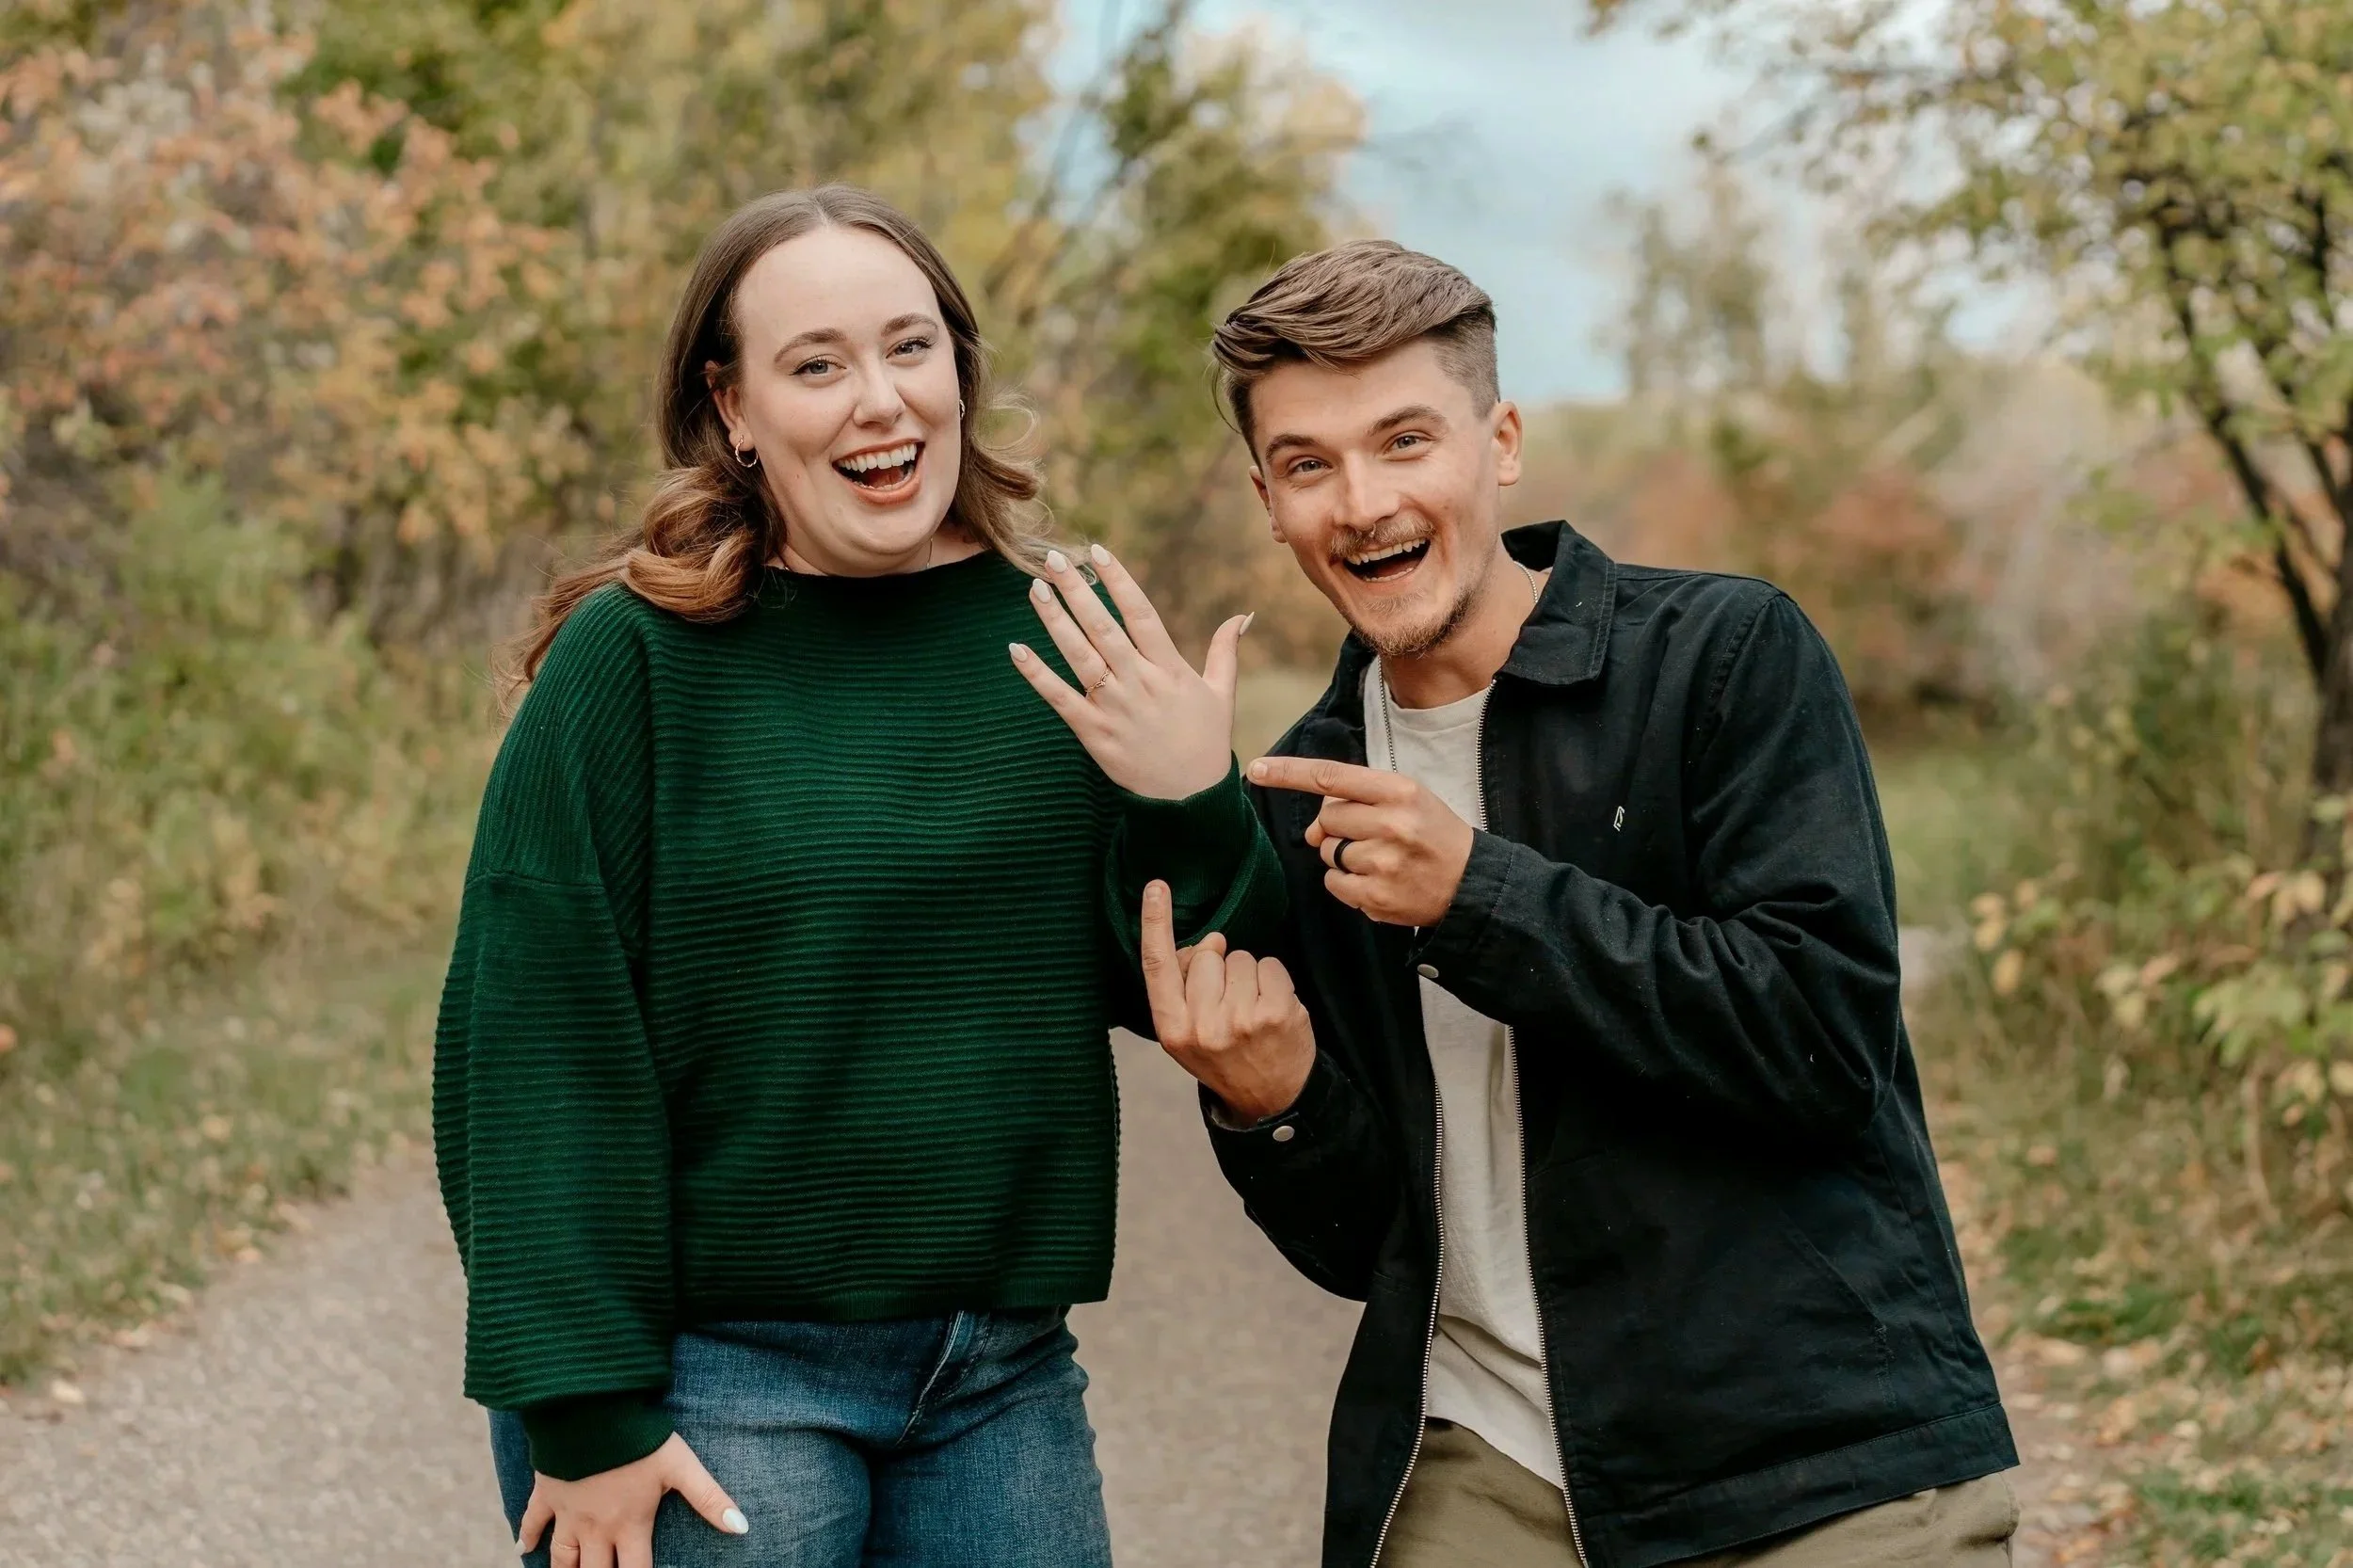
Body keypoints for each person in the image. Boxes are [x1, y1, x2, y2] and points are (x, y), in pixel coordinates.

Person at [433, 183, 1282, 1568]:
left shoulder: (1060, 639)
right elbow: (529, 1042)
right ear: (735, 411)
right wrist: (580, 1412)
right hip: (711, 1373)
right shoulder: (633, 665)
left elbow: (1216, 991)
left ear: (959, 366)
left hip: (998, 1378)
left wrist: (1193, 794)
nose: (880, 402)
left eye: (910, 347)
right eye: (816, 365)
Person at [1132, 241, 2019, 1568]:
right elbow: (1364, 1244)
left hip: (1809, 1457)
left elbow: (1826, 1044)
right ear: (1269, 499)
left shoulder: (1724, 658)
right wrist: (1277, 1100)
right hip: (1485, 1460)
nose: (1362, 500)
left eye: (1405, 440)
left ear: (1498, 441)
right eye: (1310, 464)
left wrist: (1477, 895)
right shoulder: (1305, 799)